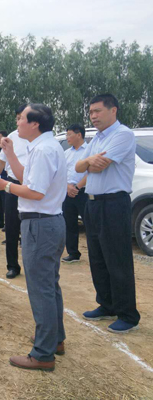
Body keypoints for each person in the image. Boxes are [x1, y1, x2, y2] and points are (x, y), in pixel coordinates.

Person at [0, 103, 66, 372]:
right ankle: (55, 339)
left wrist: (4, 185)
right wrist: (10, 154)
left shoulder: (43, 150)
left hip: (40, 225)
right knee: (49, 284)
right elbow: (28, 178)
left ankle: (43, 354)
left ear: (35, 124)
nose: (17, 122)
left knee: (41, 288)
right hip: (48, 223)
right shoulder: (44, 147)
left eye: (21, 118)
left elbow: (35, 192)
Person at [75, 94, 140, 333]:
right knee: (98, 258)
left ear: (113, 110)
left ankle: (128, 315)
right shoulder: (97, 139)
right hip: (92, 203)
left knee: (117, 260)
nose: (93, 116)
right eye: (91, 112)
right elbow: (79, 167)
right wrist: (88, 162)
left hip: (114, 203)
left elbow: (100, 166)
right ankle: (107, 304)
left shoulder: (123, 134)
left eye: (97, 111)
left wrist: (88, 163)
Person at [0, 104, 29, 278]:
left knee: (30, 227)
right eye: (17, 118)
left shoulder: (39, 139)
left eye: (22, 118)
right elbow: (1, 163)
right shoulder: (11, 137)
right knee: (11, 226)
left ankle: (31, 265)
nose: (19, 121)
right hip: (12, 185)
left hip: (32, 186)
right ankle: (13, 265)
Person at [62, 124, 88, 263]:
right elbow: (61, 173)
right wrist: (67, 187)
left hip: (84, 191)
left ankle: (96, 252)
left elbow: (91, 172)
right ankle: (73, 252)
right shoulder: (66, 153)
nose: (67, 138)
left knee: (89, 223)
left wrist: (77, 187)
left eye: (69, 134)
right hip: (67, 191)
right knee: (69, 222)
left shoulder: (89, 150)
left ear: (79, 135)